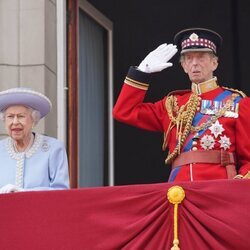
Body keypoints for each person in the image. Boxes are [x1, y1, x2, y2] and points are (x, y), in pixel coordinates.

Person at [113, 27, 250, 182]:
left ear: (214, 63)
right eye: (189, 59)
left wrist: (239, 183)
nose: (195, 64)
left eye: (201, 58)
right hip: (179, 191)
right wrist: (142, 72)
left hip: (219, 190)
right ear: (184, 66)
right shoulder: (172, 105)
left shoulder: (238, 103)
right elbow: (123, 111)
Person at [0, 87, 70, 193]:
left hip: (41, 209)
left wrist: (24, 192)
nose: (15, 122)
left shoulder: (54, 148)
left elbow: (61, 191)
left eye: (20, 116)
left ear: (34, 120)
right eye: (10, 116)